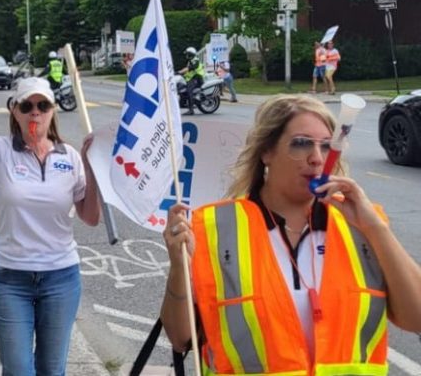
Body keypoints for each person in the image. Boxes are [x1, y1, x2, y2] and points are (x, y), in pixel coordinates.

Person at [160, 94, 421, 374]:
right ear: (266, 151)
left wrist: (376, 228)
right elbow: (180, 338)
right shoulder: (213, 226)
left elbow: (415, 318)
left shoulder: (363, 224)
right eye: (301, 144)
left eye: (326, 146)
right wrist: (179, 266)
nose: (316, 158)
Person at [0, 77, 101, 375]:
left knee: (51, 370)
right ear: (15, 110)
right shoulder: (0, 151)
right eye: (27, 105)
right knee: (17, 370)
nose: (35, 112)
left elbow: (90, 217)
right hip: (10, 279)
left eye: (42, 105)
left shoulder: (70, 157)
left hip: (60, 278)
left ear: (52, 110)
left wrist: (93, 168)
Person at [178, 47, 204, 115]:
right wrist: (178, 72)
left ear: (190, 54)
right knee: (182, 89)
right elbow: (186, 69)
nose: (186, 55)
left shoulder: (195, 60)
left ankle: (191, 110)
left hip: (197, 78)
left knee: (189, 91)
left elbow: (190, 68)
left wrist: (179, 72)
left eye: (187, 54)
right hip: (192, 78)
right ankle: (183, 104)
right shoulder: (191, 61)